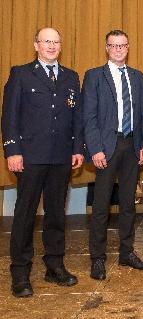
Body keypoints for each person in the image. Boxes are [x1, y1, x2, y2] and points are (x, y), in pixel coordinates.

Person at [2, 27, 84, 297]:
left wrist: (77, 149)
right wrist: (12, 151)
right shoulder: (22, 74)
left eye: (56, 42)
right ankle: (21, 272)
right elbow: (10, 116)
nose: (51, 46)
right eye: (46, 41)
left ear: (61, 46)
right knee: (25, 216)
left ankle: (54, 266)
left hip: (61, 158)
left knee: (56, 215)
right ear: (36, 45)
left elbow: (76, 119)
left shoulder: (71, 77)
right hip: (30, 158)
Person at [82, 30, 143, 280]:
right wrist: (95, 148)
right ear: (106, 48)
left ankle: (126, 252)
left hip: (132, 146)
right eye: (113, 45)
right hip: (106, 147)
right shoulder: (94, 76)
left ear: (128, 47)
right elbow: (88, 117)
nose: (118, 49)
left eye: (122, 45)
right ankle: (98, 258)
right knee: (101, 206)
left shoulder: (137, 76)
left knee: (127, 205)